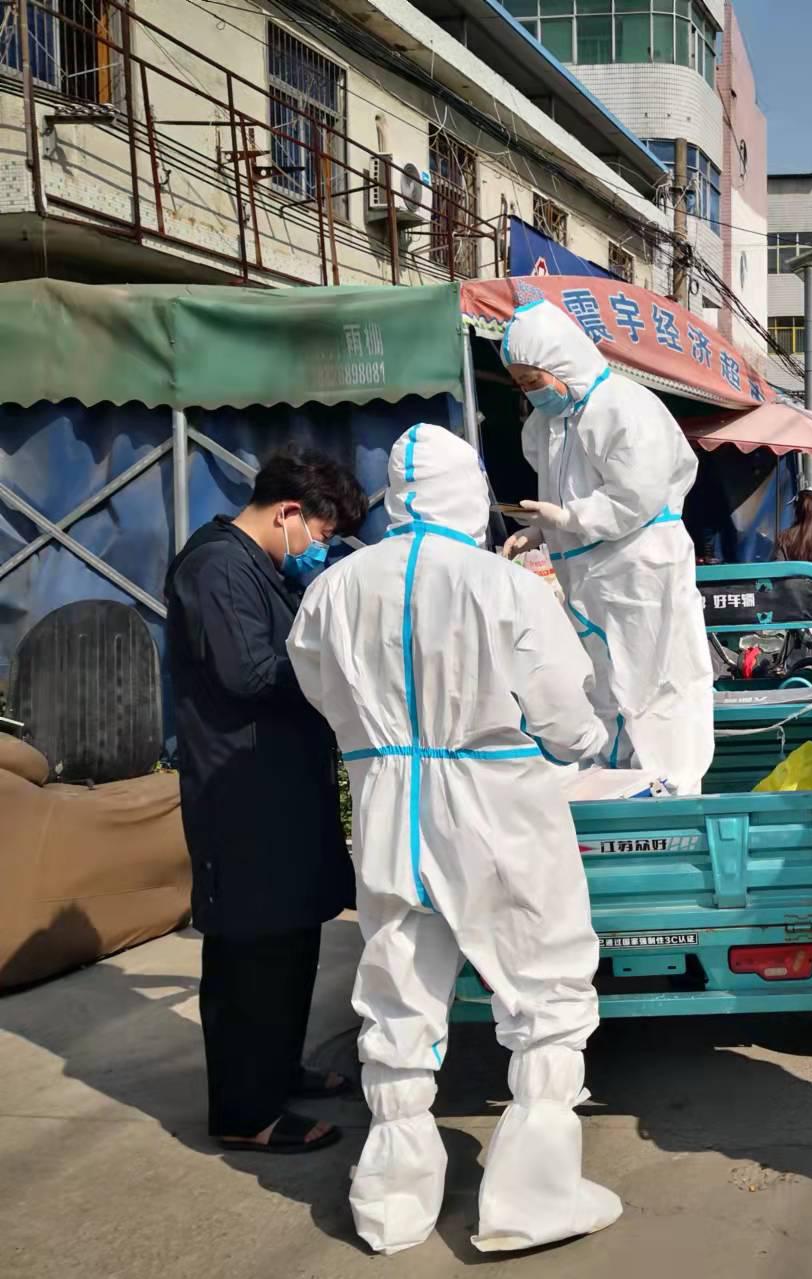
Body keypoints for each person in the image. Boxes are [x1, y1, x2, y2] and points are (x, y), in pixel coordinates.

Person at [287, 424, 622, 1254]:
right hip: (495, 808)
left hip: (388, 807)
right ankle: (527, 1199)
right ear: (469, 489)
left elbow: (319, 691)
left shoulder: (334, 589)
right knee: (543, 989)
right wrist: (589, 742)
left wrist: (383, 742)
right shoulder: (503, 585)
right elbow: (566, 719)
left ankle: (393, 1202)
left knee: (398, 990)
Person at [163, 448, 366, 1154]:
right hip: (240, 788)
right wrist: (333, 659)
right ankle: (246, 1111)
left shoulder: (260, 567)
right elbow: (249, 672)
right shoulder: (217, 567)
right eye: (318, 533)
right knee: (251, 948)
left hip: (278, 778)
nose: (317, 549)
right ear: (287, 513)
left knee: (288, 938)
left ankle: (278, 1068)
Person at [499, 299, 714, 795]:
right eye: (522, 384)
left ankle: (671, 789)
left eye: (534, 379)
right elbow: (561, 492)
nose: (530, 392)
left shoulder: (620, 406)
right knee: (610, 685)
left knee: (655, 683)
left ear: (561, 361)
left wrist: (569, 518)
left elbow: (635, 495)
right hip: (594, 576)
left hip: (640, 569)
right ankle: (623, 784)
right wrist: (543, 529)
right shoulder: (550, 424)